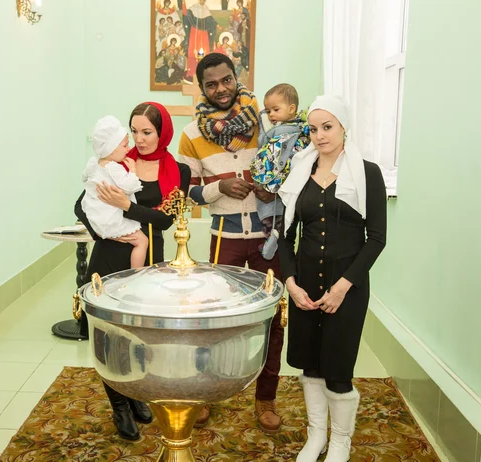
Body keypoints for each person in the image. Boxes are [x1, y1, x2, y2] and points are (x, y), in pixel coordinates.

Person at [178, 52, 284, 433]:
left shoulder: (265, 121)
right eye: (211, 84)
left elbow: (291, 165)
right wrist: (218, 186)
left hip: (269, 238)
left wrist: (274, 190)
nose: (220, 89)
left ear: (236, 78)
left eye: (226, 80)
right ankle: (207, 393)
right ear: (202, 88)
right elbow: (185, 190)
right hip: (225, 238)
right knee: (214, 320)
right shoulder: (191, 135)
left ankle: (265, 397)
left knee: (273, 317)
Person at [277, 95, 387, 461]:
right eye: (313, 128)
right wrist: (291, 283)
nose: (319, 136)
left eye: (328, 127)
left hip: (348, 287)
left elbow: (377, 239)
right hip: (305, 286)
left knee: (338, 369)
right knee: (310, 366)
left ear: (343, 127)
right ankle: (316, 437)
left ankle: (340, 441)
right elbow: (284, 237)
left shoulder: (367, 172)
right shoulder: (299, 172)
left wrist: (343, 287)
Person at [75, 102, 191, 442]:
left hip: (151, 257)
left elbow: (167, 220)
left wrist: (128, 207)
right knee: (111, 336)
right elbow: (79, 205)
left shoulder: (178, 171)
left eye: (147, 132)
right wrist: (108, 232)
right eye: (134, 131)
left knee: (141, 335)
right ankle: (120, 407)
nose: (139, 140)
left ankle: (136, 394)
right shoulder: (114, 161)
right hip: (111, 255)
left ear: (162, 132)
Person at [250, 83, 309, 259]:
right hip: (274, 176)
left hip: (277, 176)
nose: (271, 115)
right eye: (268, 111)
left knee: (273, 212)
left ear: (292, 109)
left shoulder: (288, 129)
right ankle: (272, 233)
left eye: (276, 109)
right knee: (274, 212)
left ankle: (272, 235)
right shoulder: (295, 127)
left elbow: (263, 142)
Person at [82, 116, 147, 269]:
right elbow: (130, 187)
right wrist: (132, 171)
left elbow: (84, 177)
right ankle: (135, 274)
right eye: (125, 145)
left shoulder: (95, 163)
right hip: (112, 221)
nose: (128, 148)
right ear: (111, 148)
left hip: (97, 220)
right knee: (142, 242)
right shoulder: (113, 168)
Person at [181, 0, 219, 81]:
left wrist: (217, 24)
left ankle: (204, 74)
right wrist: (184, 7)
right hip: (194, 32)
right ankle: (191, 73)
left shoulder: (205, 8)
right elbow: (187, 14)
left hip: (203, 33)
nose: (202, 1)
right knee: (193, 51)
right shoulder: (194, 7)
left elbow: (210, 20)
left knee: (205, 51)